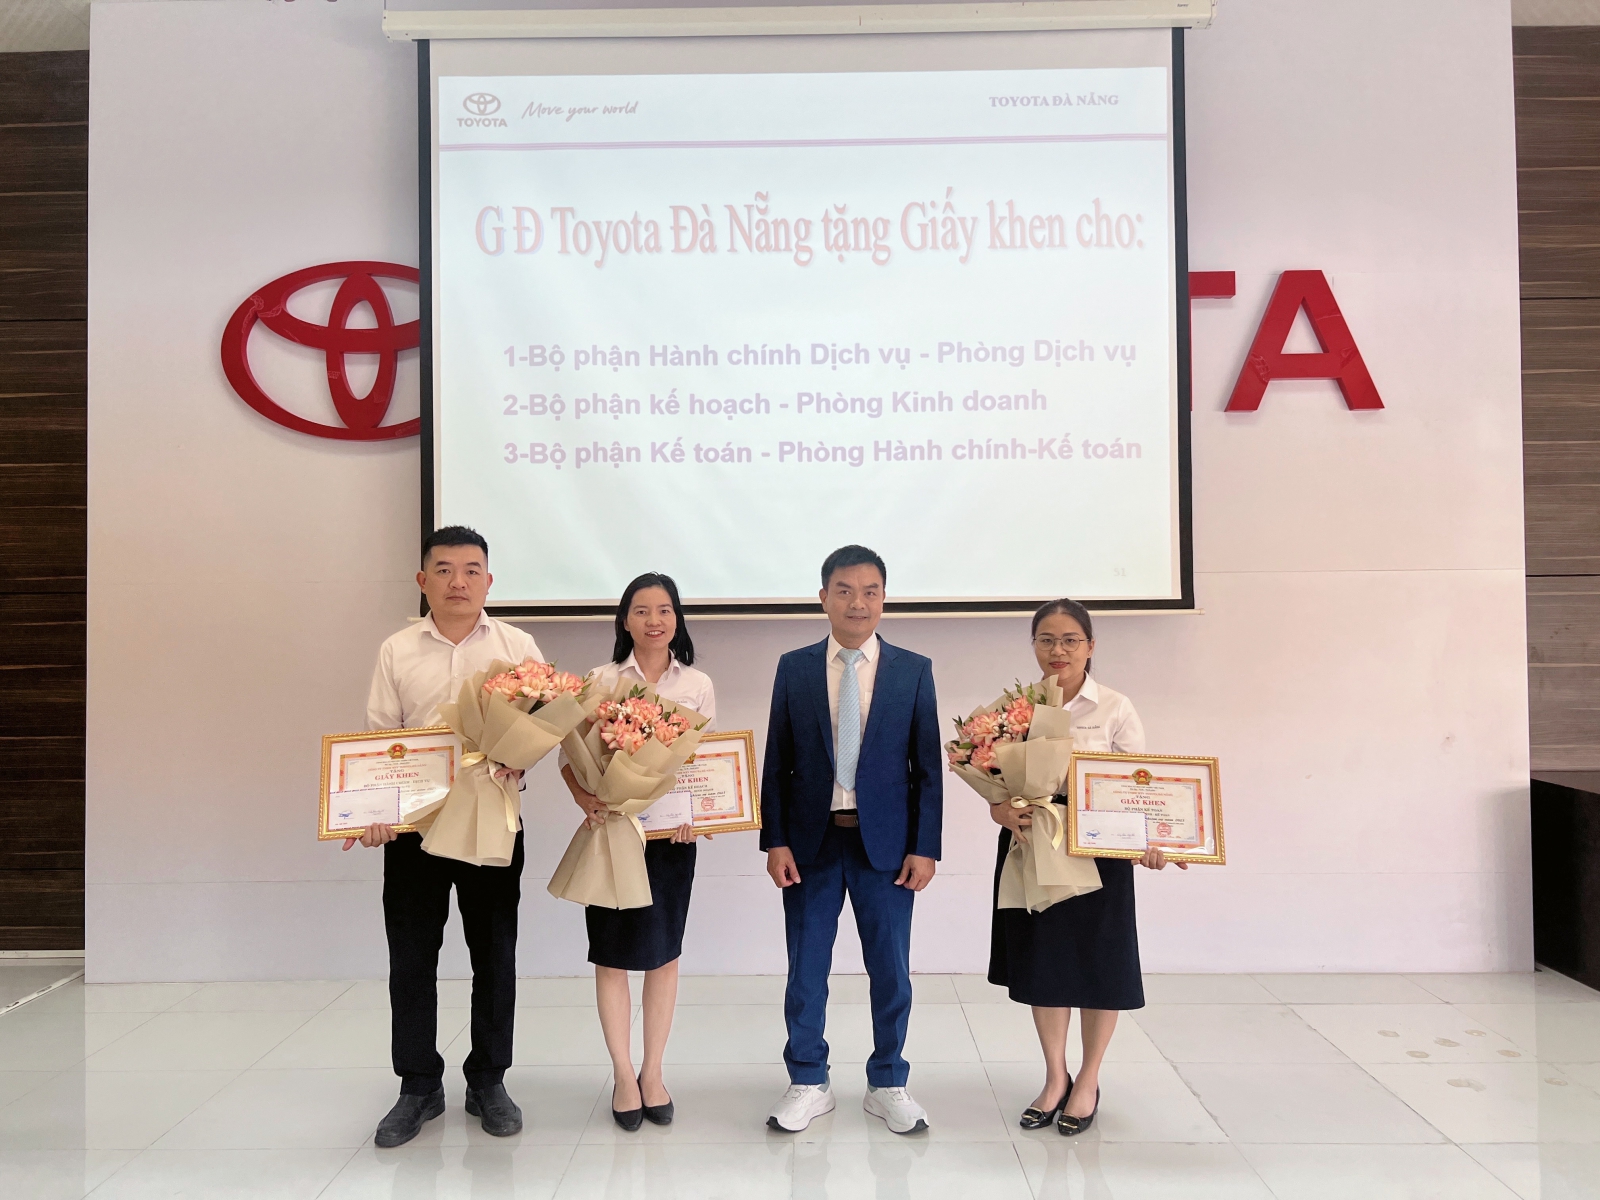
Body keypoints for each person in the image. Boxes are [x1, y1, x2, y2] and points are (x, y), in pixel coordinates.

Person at [353, 526, 540, 1147]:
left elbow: (544, 729)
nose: (457, 582)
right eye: (443, 570)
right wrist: (373, 809)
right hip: (416, 830)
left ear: (489, 580)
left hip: (492, 821)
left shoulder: (518, 647)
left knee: (495, 955)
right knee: (411, 958)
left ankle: (489, 1080)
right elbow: (379, 739)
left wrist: (519, 761)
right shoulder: (397, 650)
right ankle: (418, 1085)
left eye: (470, 570)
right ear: (422, 580)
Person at [760, 545, 943, 1135]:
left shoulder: (913, 669)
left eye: (869, 591)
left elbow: (928, 769)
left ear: (883, 599)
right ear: (824, 598)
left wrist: (925, 846)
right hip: (810, 846)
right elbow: (777, 761)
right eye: (844, 590)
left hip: (886, 849)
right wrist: (775, 840)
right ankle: (807, 1080)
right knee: (805, 970)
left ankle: (888, 1082)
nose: (857, 602)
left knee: (890, 970)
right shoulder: (794, 667)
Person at [988, 597, 1185, 1136]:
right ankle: (1055, 1077)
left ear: (1091, 646)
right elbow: (994, 781)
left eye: (1071, 640)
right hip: (1034, 844)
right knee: (1045, 964)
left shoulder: (1115, 707)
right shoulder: (1014, 710)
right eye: (1047, 639)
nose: (1059, 650)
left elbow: (1141, 788)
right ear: (1033, 645)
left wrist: (1153, 842)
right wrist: (999, 809)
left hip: (1101, 851)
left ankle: (1089, 1079)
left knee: (1101, 964)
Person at [559, 573, 716, 1132]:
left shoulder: (697, 684)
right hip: (612, 834)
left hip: (671, 840)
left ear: (677, 619)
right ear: (625, 619)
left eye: (665, 610)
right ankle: (623, 1075)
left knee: (664, 955)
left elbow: (706, 766)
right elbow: (569, 759)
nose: (654, 620)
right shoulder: (601, 680)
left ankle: (653, 1072)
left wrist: (703, 816)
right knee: (611, 955)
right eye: (642, 610)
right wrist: (585, 800)